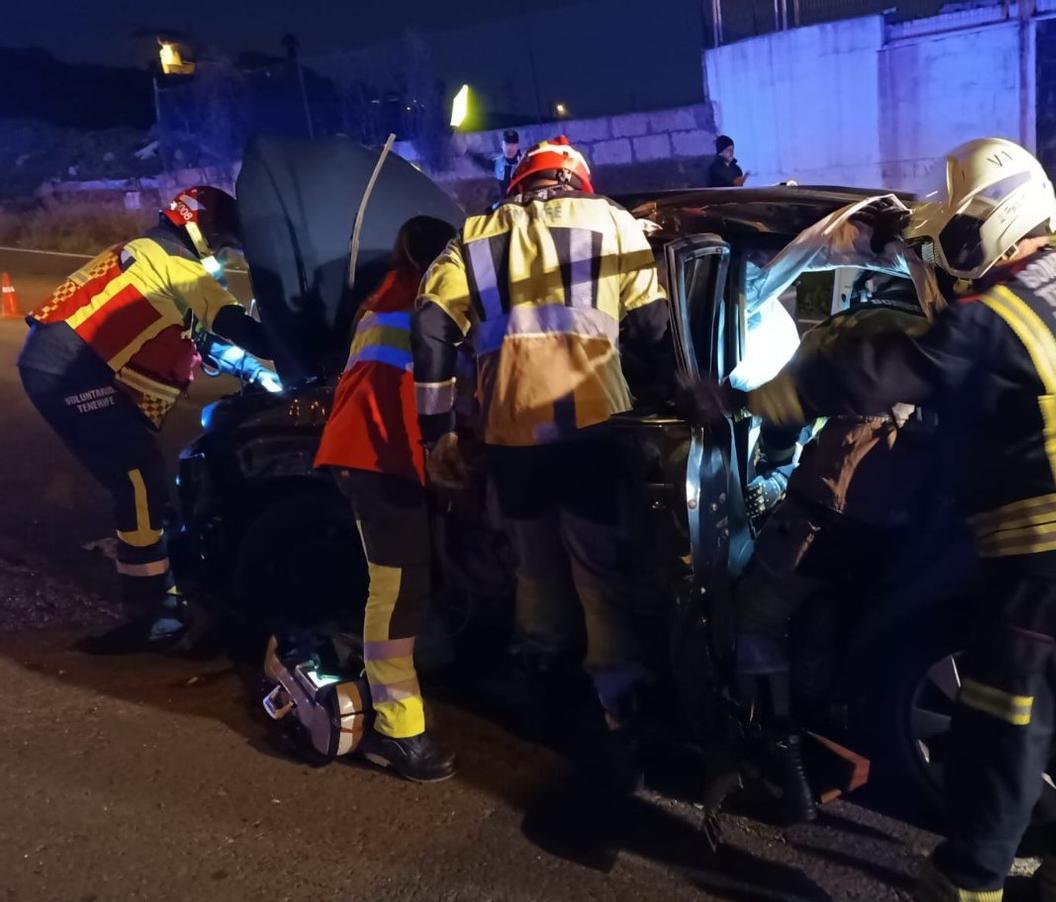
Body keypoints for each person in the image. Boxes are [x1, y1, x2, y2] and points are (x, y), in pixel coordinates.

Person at [739, 138, 1056, 901]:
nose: (946, 257)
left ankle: (964, 885)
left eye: (952, 239)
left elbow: (883, 372)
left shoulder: (992, 316)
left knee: (1005, 731)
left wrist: (765, 398)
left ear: (985, 226)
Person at [411, 136, 671, 776]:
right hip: (591, 430)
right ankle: (617, 696)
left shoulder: (475, 234)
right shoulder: (611, 221)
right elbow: (655, 326)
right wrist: (670, 390)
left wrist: (437, 429)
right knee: (596, 565)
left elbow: (430, 322)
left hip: (511, 435)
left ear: (519, 180)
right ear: (577, 180)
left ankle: (539, 671)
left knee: (532, 563)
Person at [17, 186, 277, 655]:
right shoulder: (175, 263)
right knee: (138, 480)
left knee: (146, 480)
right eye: (222, 246)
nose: (222, 257)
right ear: (202, 232)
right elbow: (234, 325)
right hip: (67, 373)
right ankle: (149, 613)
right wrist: (288, 345)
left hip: (64, 365)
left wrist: (252, 369)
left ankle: (165, 579)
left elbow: (200, 332)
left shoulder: (154, 251)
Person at [733, 272, 936, 822]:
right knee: (823, 624)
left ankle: (778, 753)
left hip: (824, 517)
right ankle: (822, 732)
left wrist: (732, 408)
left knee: (754, 615)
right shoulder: (952, 342)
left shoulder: (858, 331)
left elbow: (789, 408)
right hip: (891, 532)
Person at [313, 215, 459, 782]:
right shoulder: (430, 298)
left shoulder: (386, 292)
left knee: (404, 588)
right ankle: (396, 733)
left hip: (367, 453)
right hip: (379, 458)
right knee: (397, 593)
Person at [494, 129, 524, 200]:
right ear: (502, 145)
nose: (510, 148)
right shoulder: (497, 162)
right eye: (507, 144)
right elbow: (482, 162)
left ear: (517, 146)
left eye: (513, 144)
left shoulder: (524, 161)